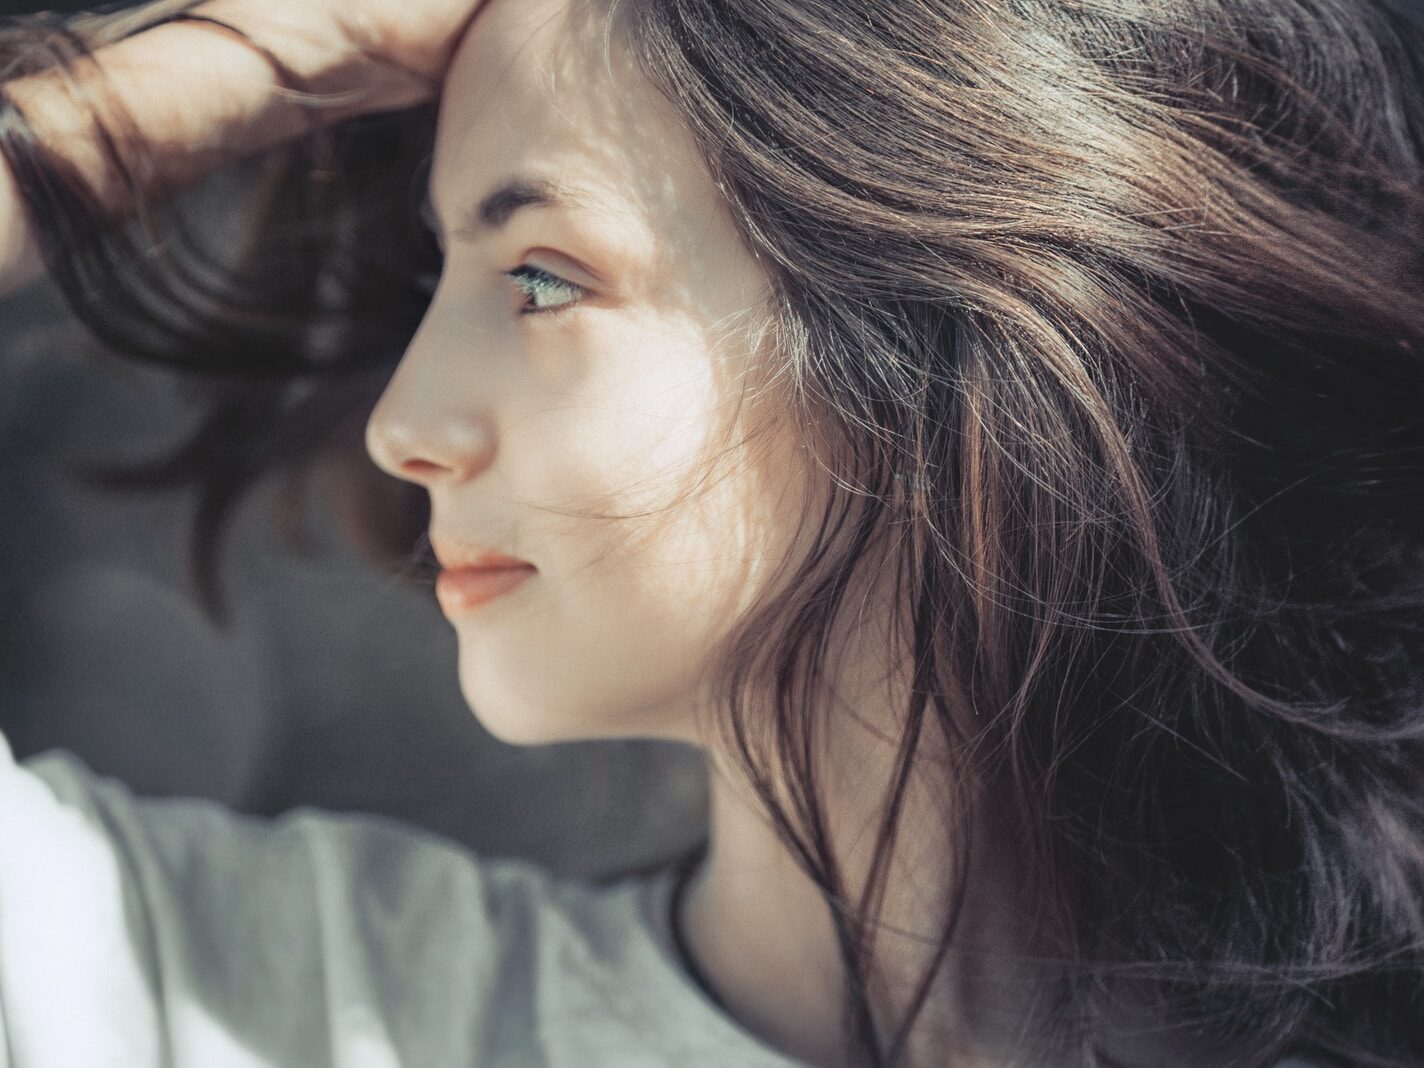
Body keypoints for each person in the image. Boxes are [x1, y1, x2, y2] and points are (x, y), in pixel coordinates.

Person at [0, 0, 1420, 1065]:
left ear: (945, 328)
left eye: (542, 279)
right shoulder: (263, 1001)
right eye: (441, 273)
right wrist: (245, 58)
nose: (402, 421)